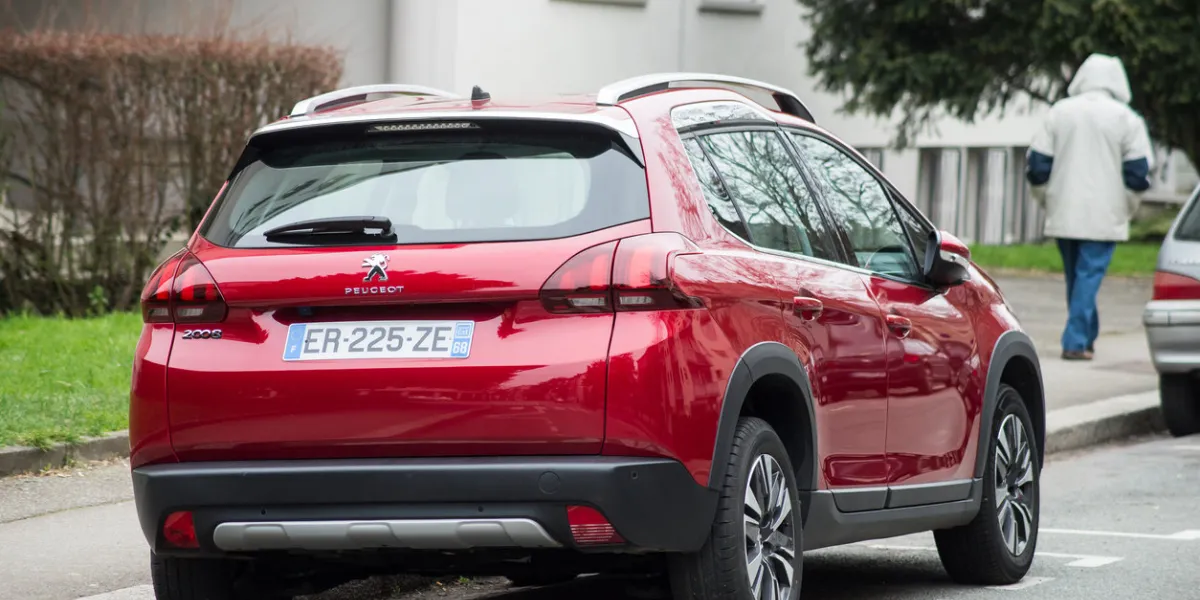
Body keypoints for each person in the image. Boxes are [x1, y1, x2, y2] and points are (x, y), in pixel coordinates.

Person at [1025, 52, 1154, 361]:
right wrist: (1125, 206)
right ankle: (1076, 341)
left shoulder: (1060, 112)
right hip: (1104, 215)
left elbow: (1038, 166)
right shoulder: (1127, 119)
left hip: (1063, 210)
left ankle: (1085, 336)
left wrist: (1047, 199)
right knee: (1088, 277)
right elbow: (1138, 174)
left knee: (1077, 277)